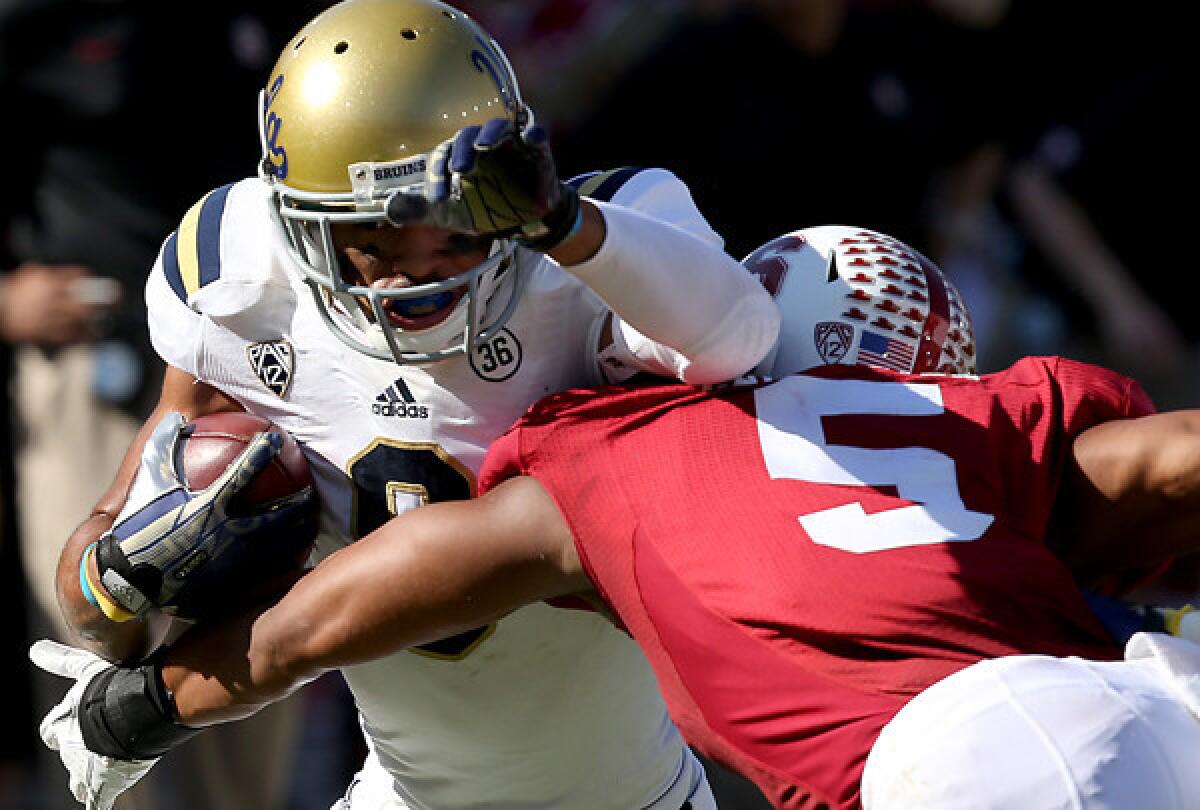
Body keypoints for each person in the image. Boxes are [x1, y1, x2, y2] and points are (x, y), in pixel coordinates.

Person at [33, 224, 1200, 810]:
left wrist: (150, 702)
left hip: (945, 772)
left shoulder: (632, 445)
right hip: (1136, 702)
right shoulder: (990, 414)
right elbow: (1167, 460)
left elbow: (362, 599)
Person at [40, 0, 782, 808]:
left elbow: (738, 335)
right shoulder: (239, 279)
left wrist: (568, 226)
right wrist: (114, 582)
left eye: (454, 233)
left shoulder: (590, 260)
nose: (418, 275)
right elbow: (101, 597)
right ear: (297, 221)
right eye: (375, 242)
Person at [0, 3, 328, 807]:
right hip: (94, 367)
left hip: (253, 373)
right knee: (99, 632)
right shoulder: (31, 21)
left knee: (252, 660)